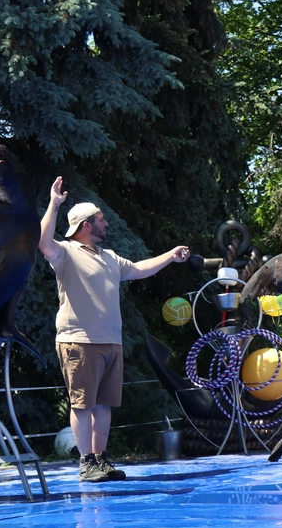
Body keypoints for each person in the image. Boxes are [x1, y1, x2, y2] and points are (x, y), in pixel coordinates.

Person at [39, 176, 189, 482]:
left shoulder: (109, 257)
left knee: (104, 404)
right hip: (79, 341)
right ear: (85, 226)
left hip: (111, 342)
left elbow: (138, 269)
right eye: (100, 219)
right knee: (83, 404)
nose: (106, 222)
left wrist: (170, 256)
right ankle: (86, 462)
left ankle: (102, 459)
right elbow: (43, 243)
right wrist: (54, 204)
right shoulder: (66, 252)